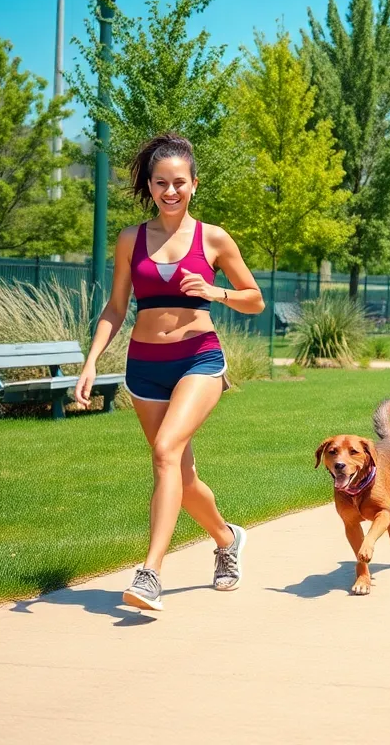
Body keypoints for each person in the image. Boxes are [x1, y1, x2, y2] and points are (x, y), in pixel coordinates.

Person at [76, 133, 265, 611]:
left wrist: (213, 291)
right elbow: (116, 307)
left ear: (194, 184)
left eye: (179, 182)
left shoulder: (213, 238)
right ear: (151, 186)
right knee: (180, 472)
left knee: (164, 452)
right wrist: (92, 359)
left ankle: (150, 573)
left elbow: (255, 300)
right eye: (161, 182)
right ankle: (226, 540)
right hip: (144, 367)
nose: (170, 191)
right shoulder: (130, 239)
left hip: (198, 358)